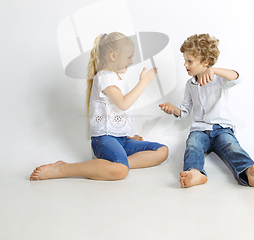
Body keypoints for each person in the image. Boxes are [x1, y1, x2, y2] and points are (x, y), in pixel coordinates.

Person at [30, 32, 168, 181]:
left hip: (121, 138)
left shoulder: (118, 78)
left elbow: (115, 112)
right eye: (129, 57)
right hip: (104, 140)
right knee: (121, 172)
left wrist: (126, 133)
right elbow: (123, 104)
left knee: (162, 151)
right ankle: (63, 169)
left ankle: (112, 165)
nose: (131, 61)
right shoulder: (104, 77)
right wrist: (143, 83)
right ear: (113, 56)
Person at [159, 33, 254, 188]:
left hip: (221, 129)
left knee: (232, 146)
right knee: (192, 145)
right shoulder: (190, 85)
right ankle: (195, 173)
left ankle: (248, 171)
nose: (185, 64)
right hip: (200, 130)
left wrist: (214, 70)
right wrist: (174, 109)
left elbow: (237, 77)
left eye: (189, 61)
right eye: (184, 60)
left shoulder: (219, 79)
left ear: (206, 62)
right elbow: (185, 110)